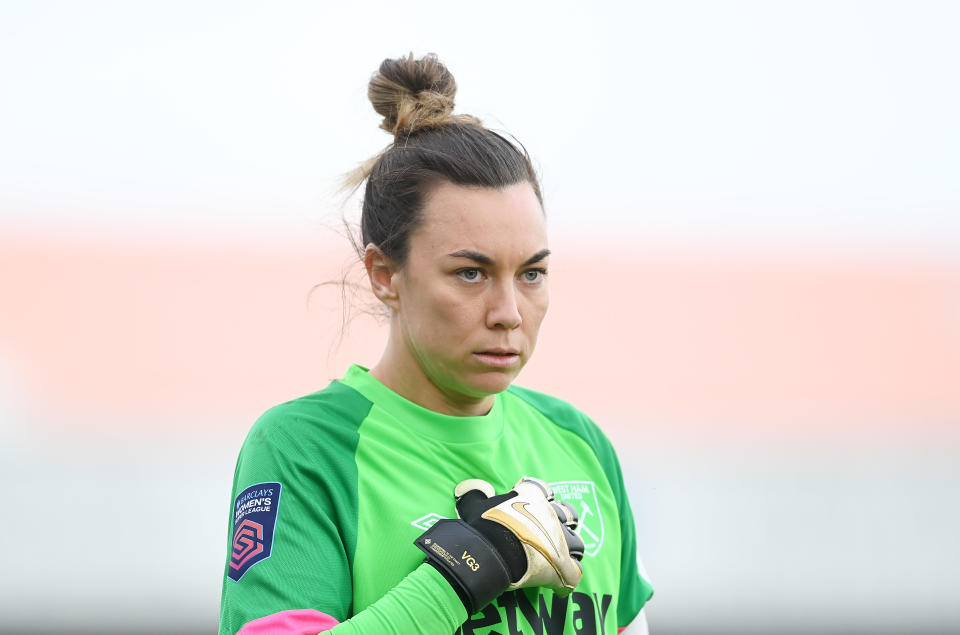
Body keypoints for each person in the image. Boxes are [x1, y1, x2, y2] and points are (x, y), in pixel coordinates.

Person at [218, 52, 654, 635]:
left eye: (531, 273)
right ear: (384, 274)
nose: (508, 313)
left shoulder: (580, 443)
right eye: (470, 273)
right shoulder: (306, 447)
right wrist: (467, 569)